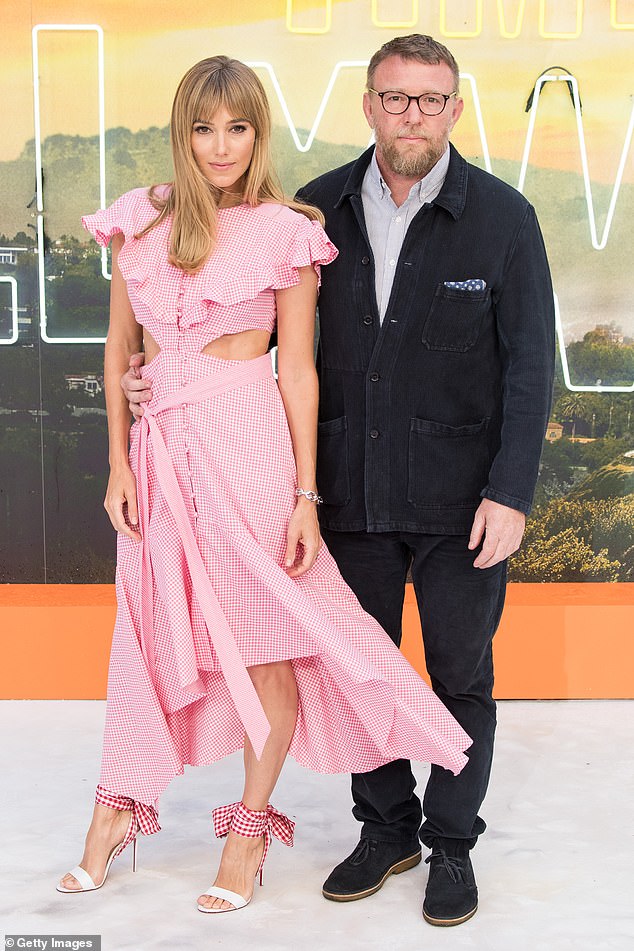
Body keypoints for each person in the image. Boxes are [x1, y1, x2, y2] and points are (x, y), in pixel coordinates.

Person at [124, 35, 555, 926]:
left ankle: (451, 843)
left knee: (459, 673)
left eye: (430, 100)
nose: (412, 115)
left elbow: (528, 370)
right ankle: (386, 827)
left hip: (461, 501)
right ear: (368, 105)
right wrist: (154, 377)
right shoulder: (313, 213)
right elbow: (256, 341)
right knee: (352, 665)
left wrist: (510, 493)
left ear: (455, 108)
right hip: (342, 497)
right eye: (395, 98)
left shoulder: (505, 220)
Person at [57, 54, 472, 915]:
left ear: (258, 133)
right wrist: (118, 461)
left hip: (248, 452)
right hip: (161, 457)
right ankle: (111, 819)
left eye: (237, 127)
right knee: (140, 637)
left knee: (266, 641)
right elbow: (117, 354)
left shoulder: (287, 229)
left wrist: (306, 497)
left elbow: (299, 375)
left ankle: (248, 831)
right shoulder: (139, 220)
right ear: (183, 130)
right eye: (204, 127)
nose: (220, 145)